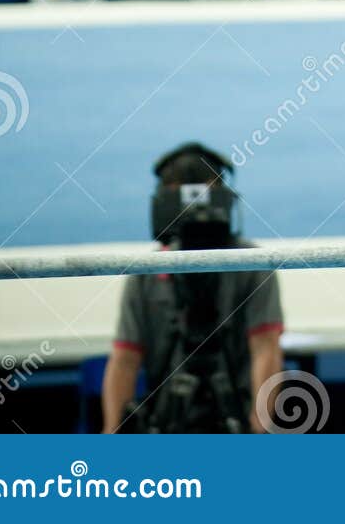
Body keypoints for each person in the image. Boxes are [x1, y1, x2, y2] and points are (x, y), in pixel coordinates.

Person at [102, 143, 282, 434]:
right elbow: (125, 358)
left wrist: (260, 428)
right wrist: (111, 434)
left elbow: (266, 348)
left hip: (238, 420)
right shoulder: (146, 274)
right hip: (164, 423)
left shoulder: (252, 264)